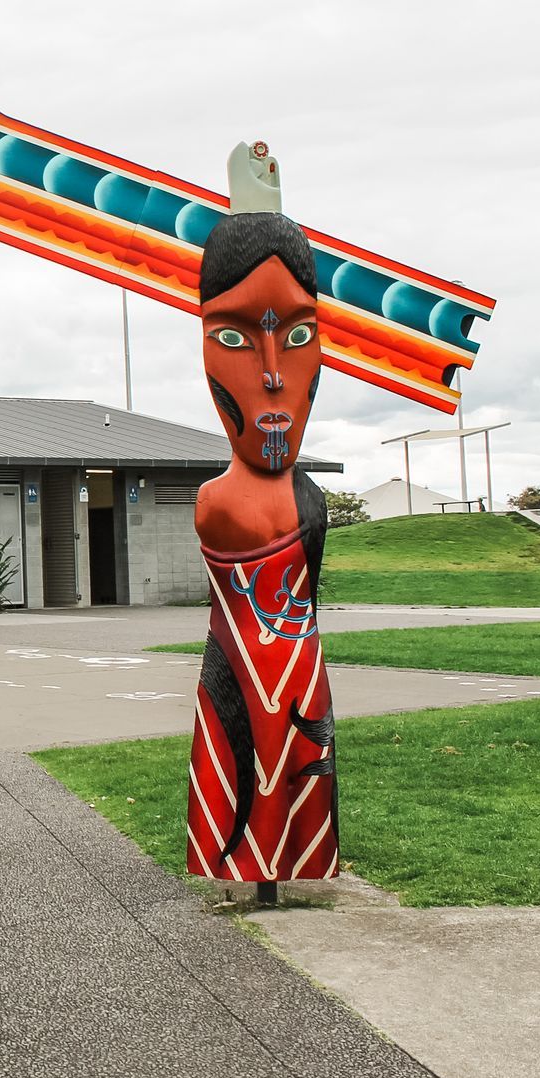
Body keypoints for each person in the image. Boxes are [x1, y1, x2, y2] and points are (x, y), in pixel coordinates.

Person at [186, 146, 338, 885]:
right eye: (238, 337)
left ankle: (292, 867)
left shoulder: (308, 499)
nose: (274, 374)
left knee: (301, 799)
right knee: (241, 801)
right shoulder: (215, 502)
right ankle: (249, 863)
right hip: (243, 679)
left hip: (302, 677)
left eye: (301, 336)